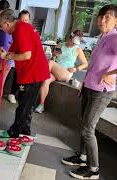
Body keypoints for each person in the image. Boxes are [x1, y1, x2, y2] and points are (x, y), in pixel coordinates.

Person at [61, 5, 117, 180]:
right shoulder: (103, 36)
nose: (102, 20)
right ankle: (83, 157)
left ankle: (94, 170)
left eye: (107, 17)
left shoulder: (115, 37)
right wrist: (84, 85)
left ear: (116, 20)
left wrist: (110, 74)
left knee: (88, 129)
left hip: (102, 92)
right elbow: (94, 64)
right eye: (101, 16)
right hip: (89, 87)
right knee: (83, 123)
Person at [0, 9, 50, 138]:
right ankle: (25, 131)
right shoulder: (21, 28)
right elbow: (16, 48)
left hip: (32, 73)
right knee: (27, 103)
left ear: (6, 23)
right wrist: (7, 55)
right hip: (33, 71)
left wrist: (9, 57)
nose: (2, 29)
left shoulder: (21, 29)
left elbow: (27, 55)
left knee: (24, 104)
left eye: (1, 26)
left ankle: (14, 132)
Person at [35, 30, 88, 113]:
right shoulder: (61, 45)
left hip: (66, 73)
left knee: (50, 63)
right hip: (55, 71)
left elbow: (85, 64)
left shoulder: (78, 50)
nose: (73, 43)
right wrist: (53, 55)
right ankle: (41, 105)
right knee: (46, 80)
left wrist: (76, 69)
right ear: (70, 37)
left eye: (75, 43)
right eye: (72, 41)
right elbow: (54, 59)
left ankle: (35, 81)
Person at [6, 9, 31, 104]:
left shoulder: (29, 31)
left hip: (23, 59)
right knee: (15, 74)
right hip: (15, 57)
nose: (24, 22)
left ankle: (19, 95)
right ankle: (12, 93)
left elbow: (28, 54)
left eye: (26, 20)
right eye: (22, 20)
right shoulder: (15, 31)